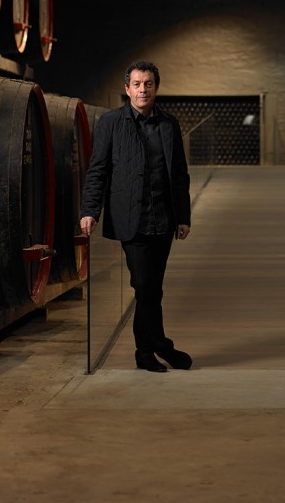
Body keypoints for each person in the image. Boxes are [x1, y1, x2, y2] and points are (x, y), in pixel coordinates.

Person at [79, 60, 192, 373]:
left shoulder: (169, 124)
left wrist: (183, 216)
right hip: (131, 219)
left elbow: (179, 174)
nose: (144, 89)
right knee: (144, 286)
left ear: (156, 87)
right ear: (127, 89)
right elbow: (98, 170)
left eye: (149, 84)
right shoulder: (111, 123)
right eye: (138, 84)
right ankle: (158, 347)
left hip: (164, 220)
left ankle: (147, 352)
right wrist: (90, 210)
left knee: (153, 288)